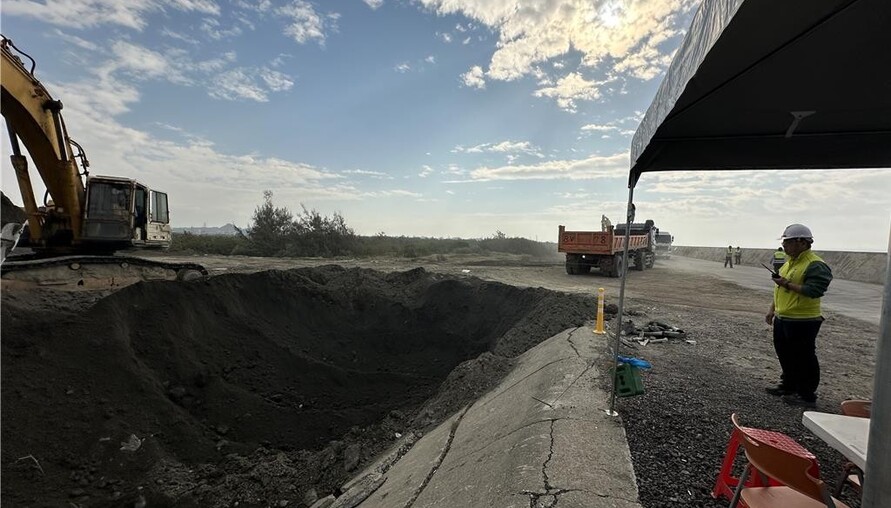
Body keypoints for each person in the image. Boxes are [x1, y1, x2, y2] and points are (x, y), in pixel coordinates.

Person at [764, 224, 832, 408]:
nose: (784, 246)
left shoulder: (815, 264)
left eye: (787, 242)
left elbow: (815, 290)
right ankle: (788, 386)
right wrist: (772, 309)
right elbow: (779, 287)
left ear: (801, 242)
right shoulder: (789, 262)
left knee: (804, 357)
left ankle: (807, 394)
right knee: (785, 354)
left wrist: (786, 284)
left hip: (803, 320)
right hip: (783, 317)